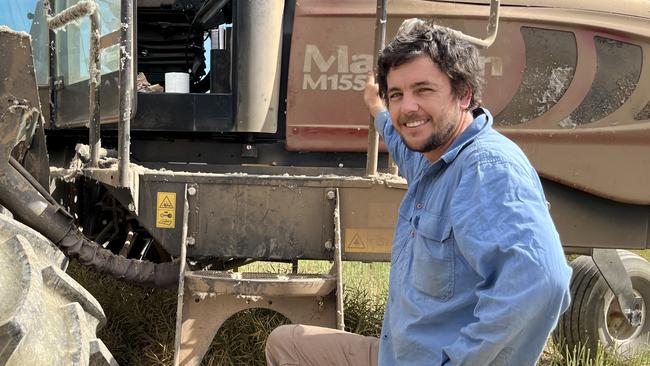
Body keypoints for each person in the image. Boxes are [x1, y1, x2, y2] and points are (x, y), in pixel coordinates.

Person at [266, 19, 571, 366]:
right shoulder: (433, 157)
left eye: (423, 90)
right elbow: (401, 141)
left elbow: (541, 282)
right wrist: (379, 110)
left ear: (464, 94)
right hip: (395, 356)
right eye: (397, 94)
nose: (407, 107)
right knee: (287, 345)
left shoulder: (486, 168)